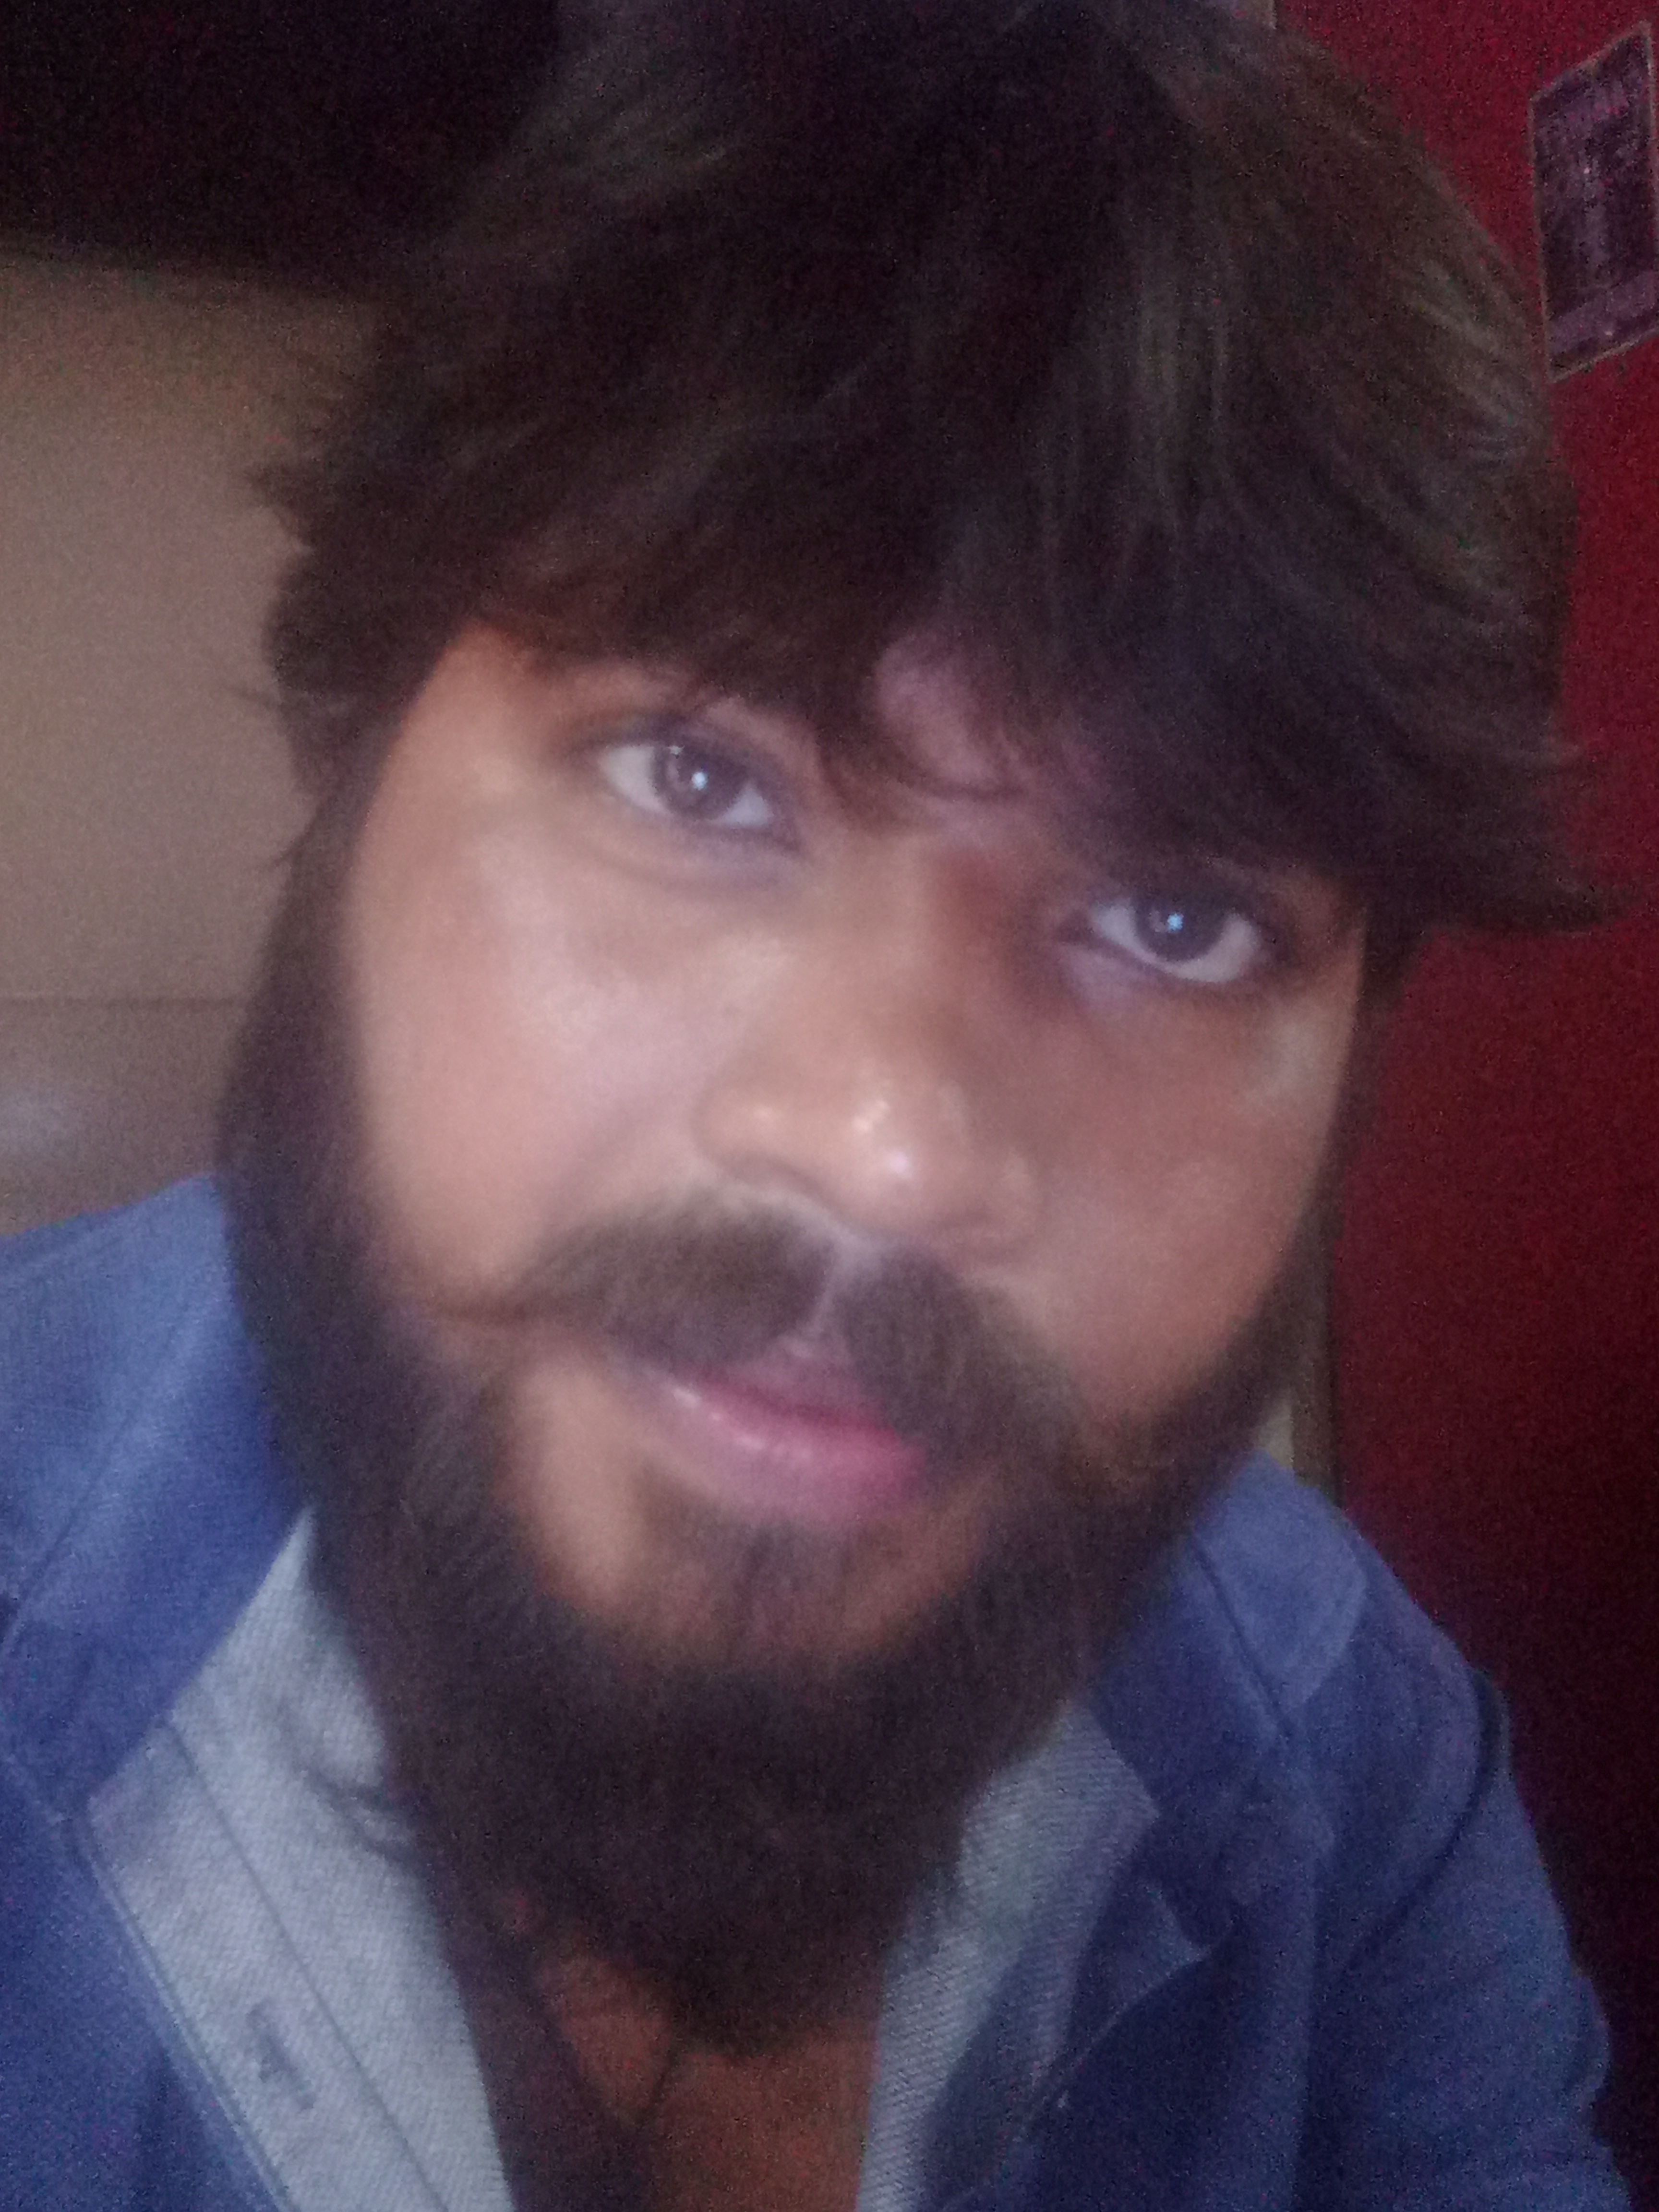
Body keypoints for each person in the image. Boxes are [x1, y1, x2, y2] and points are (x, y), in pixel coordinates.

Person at [0, 1, 1632, 2206]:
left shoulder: (1356, 1784)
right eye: (697, 777)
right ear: (346, 756)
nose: (891, 1148)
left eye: (1175, 920)